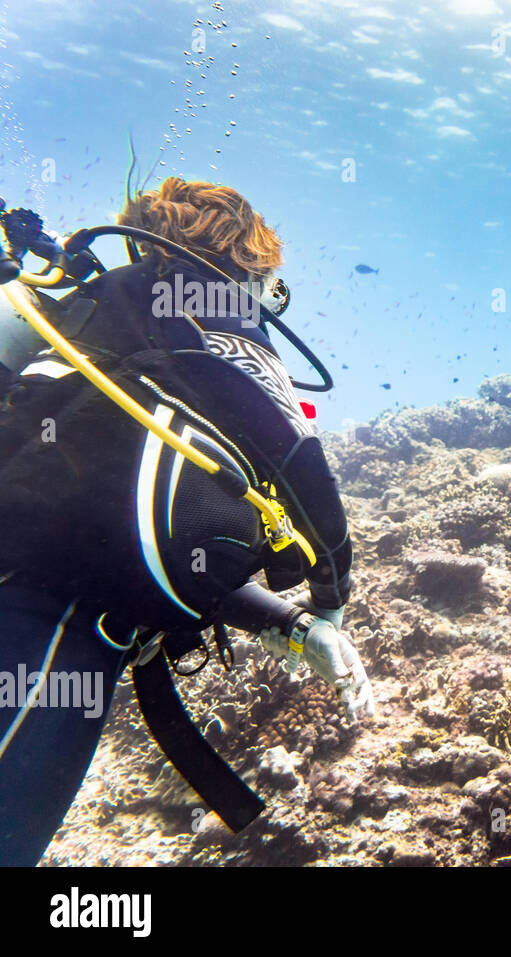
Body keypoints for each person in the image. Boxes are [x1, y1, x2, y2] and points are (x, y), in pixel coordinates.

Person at [0, 177, 373, 865]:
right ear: (248, 263)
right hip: (57, 633)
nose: (272, 304)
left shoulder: (94, 323)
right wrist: (329, 603)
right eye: (273, 286)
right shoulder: (224, 326)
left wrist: (282, 624)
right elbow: (305, 475)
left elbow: (127, 528)